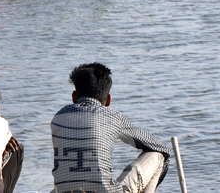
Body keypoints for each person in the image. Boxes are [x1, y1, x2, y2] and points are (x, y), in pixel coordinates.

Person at [51, 63, 169, 193]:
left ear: (74, 97)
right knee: (159, 154)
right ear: (108, 100)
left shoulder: (58, 118)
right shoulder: (112, 117)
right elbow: (158, 146)